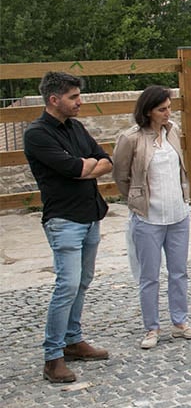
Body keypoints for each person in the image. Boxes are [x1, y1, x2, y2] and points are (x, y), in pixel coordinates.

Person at [24, 71, 112, 383]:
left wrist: (87, 167)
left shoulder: (76, 127)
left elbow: (105, 160)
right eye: (73, 97)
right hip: (64, 221)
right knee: (67, 285)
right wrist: (86, 167)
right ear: (54, 99)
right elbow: (74, 168)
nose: (79, 102)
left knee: (82, 282)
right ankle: (53, 357)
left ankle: (73, 340)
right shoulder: (37, 134)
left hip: (90, 217)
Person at [113, 85, 191, 350]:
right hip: (148, 216)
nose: (167, 113)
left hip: (177, 213)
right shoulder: (131, 138)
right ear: (148, 111)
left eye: (169, 108)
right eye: (162, 109)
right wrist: (135, 198)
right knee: (149, 275)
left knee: (179, 271)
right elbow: (121, 175)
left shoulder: (173, 131)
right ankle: (151, 327)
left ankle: (180, 321)